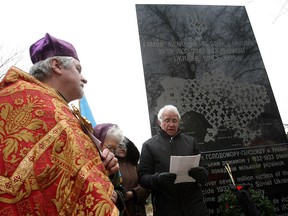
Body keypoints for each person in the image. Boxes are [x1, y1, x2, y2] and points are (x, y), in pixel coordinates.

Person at [0, 33, 119, 215]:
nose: (84, 78)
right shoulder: (37, 103)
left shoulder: (56, 106)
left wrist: (104, 169)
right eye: (78, 69)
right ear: (56, 65)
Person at [138, 104, 210, 216]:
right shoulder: (149, 145)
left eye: (175, 120)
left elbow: (205, 170)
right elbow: (142, 177)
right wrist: (157, 179)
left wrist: (202, 173)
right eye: (167, 120)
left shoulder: (191, 142)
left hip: (195, 207)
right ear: (159, 122)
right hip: (167, 208)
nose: (171, 124)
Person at [93, 123, 126, 214]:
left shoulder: (113, 164)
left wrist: (117, 195)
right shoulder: (86, 160)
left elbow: (121, 190)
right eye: (109, 147)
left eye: (114, 150)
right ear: (97, 140)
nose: (111, 153)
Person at [115, 136, 150, 216]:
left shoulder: (135, 166)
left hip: (137, 209)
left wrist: (133, 193)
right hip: (118, 209)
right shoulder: (109, 167)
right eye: (119, 146)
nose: (123, 149)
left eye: (125, 146)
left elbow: (147, 186)